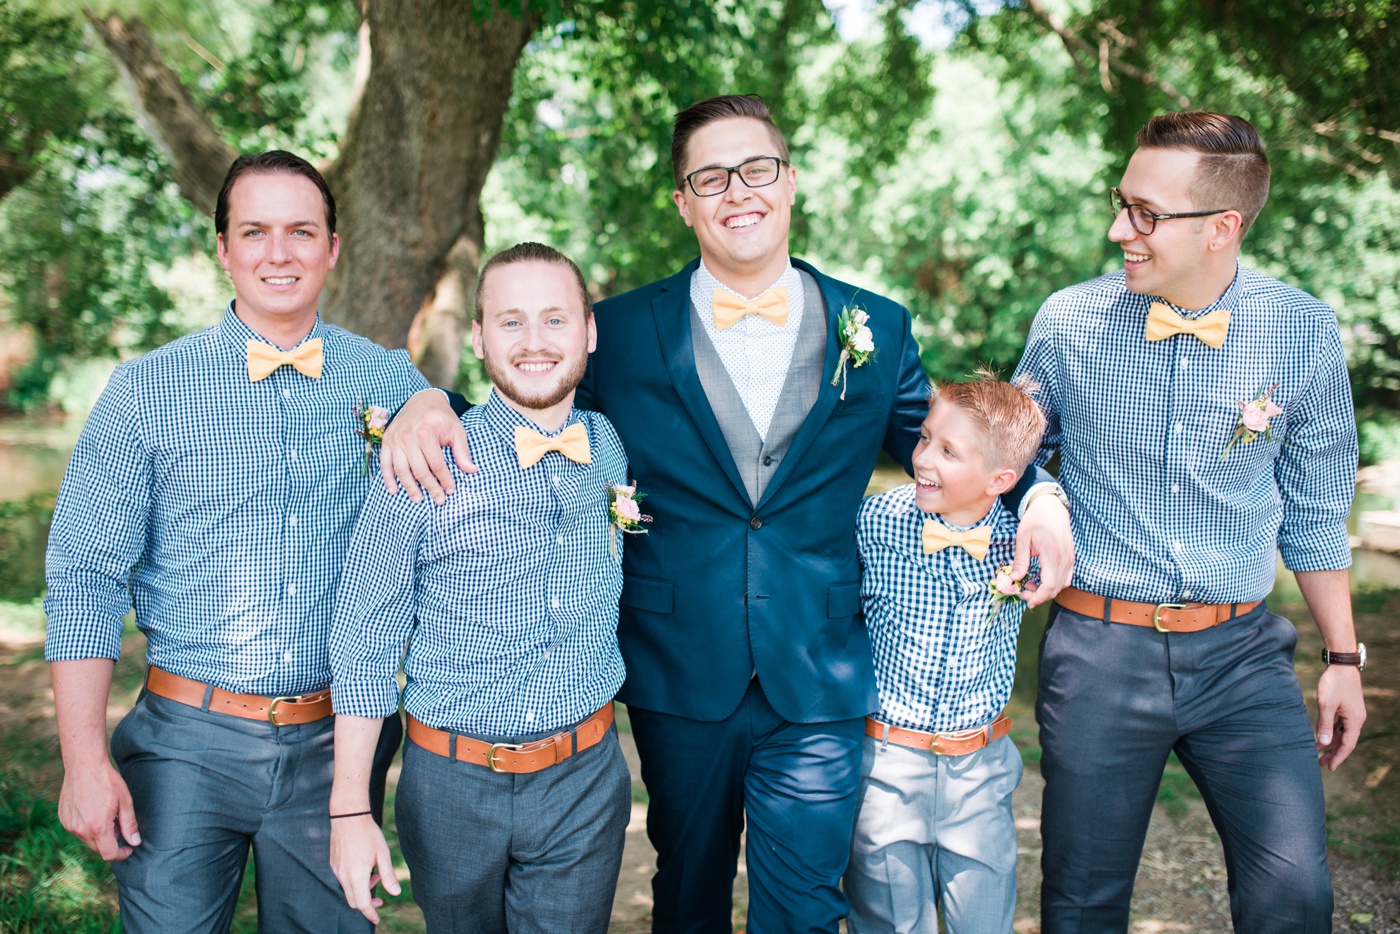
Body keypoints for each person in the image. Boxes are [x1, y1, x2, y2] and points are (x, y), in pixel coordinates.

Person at [381, 94, 1074, 933]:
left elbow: (957, 441)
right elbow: (528, 391)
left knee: (806, 905)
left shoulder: (877, 328)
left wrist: (1039, 491)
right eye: (710, 178)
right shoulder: (626, 329)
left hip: (818, 670)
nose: (736, 191)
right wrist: (426, 401)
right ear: (682, 201)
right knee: (688, 890)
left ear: (790, 182)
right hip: (679, 665)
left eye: (756, 169)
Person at [43, 151, 426, 932]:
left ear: (333, 247)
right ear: (222, 248)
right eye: (254, 232)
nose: (277, 253)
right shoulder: (144, 391)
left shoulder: (388, 381)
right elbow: (84, 579)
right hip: (185, 746)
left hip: (337, 749)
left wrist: (431, 406)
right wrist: (83, 764)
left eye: (300, 231)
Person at [1014, 111, 1365, 932]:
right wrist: (1036, 495)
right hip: (1100, 652)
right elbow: (1013, 455)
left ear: (1223, 227)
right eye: (1120, 202)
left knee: (1296, 897)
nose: (1118, 229)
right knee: (1080, 906)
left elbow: (1315, 512)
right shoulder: (1068, 322)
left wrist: (1343, 657)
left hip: (1244, 658)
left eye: (1145, 213)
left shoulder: (1302, 330)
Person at [326, 242, 632, 932]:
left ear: (589, 331)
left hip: (585, 777)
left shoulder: (607, 444)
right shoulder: (422, 461)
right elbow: (363, 638)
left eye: (555, 320)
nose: (533, 343)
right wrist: (351, 808)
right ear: (479, 337)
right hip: (450, 783)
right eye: (510, 322)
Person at [846, 372, 1046, 934]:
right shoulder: (875, 520)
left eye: (949, 451)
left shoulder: (1024, 540)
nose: (924, 459)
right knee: (889, 924)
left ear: (1001, 479)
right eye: (924, 438)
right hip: (886, 767)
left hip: (979, 770)